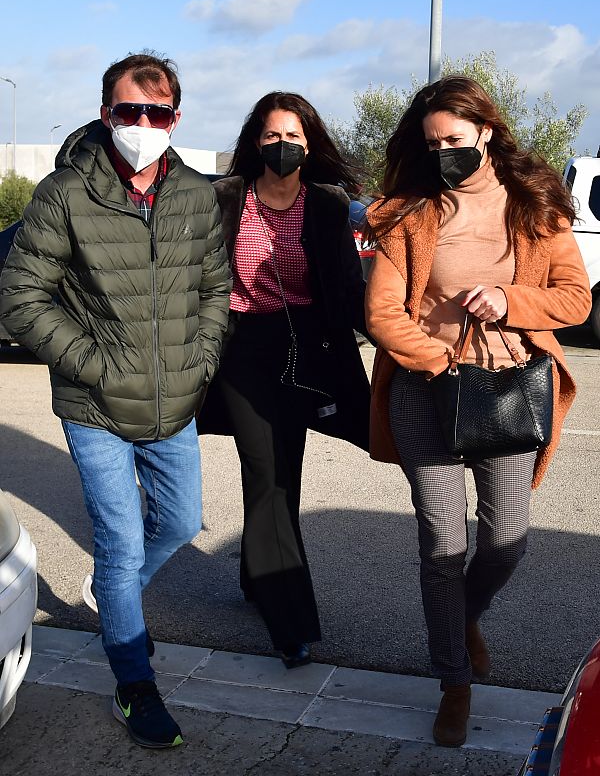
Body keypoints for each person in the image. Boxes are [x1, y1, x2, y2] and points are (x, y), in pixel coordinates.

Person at [0, 52, 231, 749]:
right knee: (122, 538)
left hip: (172, 405)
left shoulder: (193, 193)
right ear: (106, 113)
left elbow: (214, 288)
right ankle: (134, 685)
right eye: (128, 112)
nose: (141, 125)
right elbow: (19, 293)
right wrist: (93, 364)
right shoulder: (65, 193)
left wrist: (199, 360)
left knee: (182, 520)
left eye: (155, 114)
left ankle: (111, 593)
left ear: (175, 120)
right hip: (95, 406)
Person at [364, 76, 591, 748]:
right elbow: (381, 312)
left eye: (455, 141)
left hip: (509, 392)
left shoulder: (534, 205)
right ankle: (454, 682)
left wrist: (510, 298)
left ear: (486, 132)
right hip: (426, 393)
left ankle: (462, 616)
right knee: (442, 545)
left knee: (506, 540)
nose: (444, 154)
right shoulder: (408, 214)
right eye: (432, 144)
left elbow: (575, 299)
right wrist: (437, 364)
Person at [196, 91, 371, 667]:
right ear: (254, 141)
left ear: (310, 142)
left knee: (283, 472)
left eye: (293, 137)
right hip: (239, 349)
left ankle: (255, 576)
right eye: (272, 136)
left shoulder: (325, 204)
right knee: (265, 468)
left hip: (303, 351)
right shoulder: (224, 198)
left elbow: (347, 288)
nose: (282, 147)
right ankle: (290, 617)